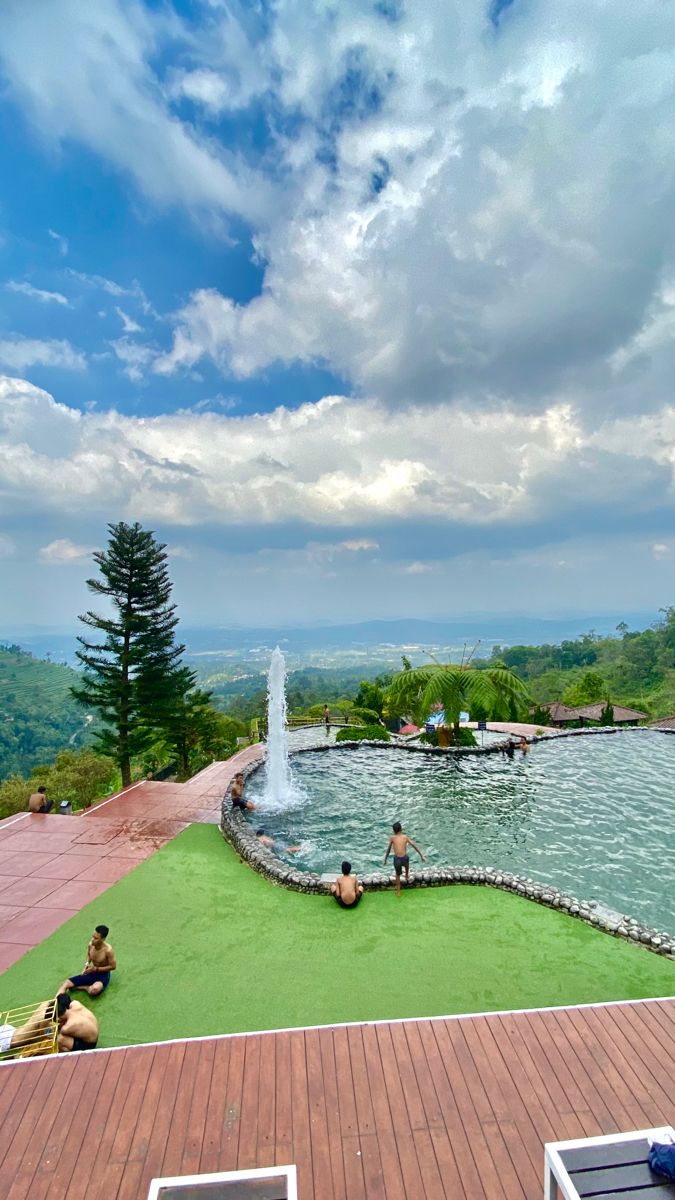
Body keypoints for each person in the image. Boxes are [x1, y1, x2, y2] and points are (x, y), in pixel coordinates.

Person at [59, 925, 116, 998]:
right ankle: (54, 1002)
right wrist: (87, 964)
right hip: (91, 971)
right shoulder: (91, 945)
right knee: (66, 983)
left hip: (103, 975)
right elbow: (89, 955)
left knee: (94, 990)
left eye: (96, 938)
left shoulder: (108, 950)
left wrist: (96, 969)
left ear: (103, 939)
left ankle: (83, 987)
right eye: (93, 936)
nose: (92, 939)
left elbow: (113, 966)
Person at [384, 821, 426, 897]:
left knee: (398, 875)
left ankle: (398, 891)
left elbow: (388, 849)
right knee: (407, 864)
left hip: (397, 860)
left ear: (393, 831)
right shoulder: (405, 837)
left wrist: (385, 859)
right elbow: (414, 845)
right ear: (401, 829)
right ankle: (407, 875)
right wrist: (421, 855)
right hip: (404, 858)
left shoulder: (392, 838)